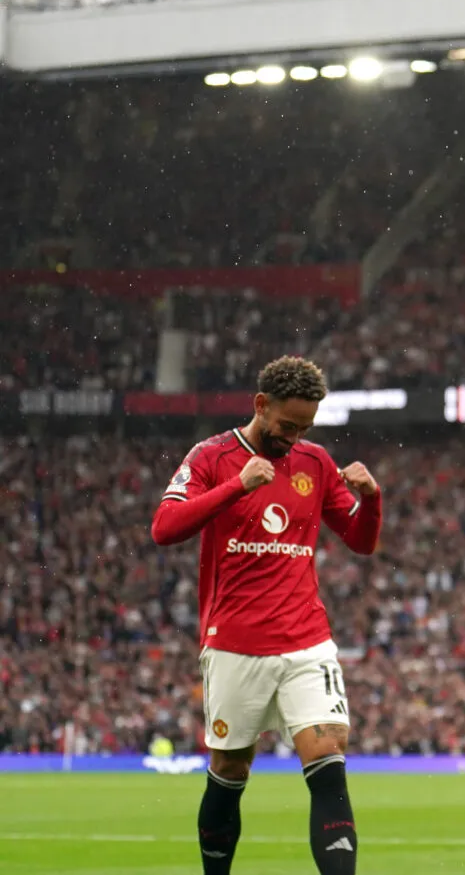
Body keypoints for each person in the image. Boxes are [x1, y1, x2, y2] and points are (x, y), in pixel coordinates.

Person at [150, 356, 383, 875]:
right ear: (260, 405)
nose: (294, 437)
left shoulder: (315, 462)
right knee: (230, 769)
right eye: (287, 425)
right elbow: (164, 527)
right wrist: (237, 485)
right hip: (235, 642)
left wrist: (371, 499)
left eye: (305, 427)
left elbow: (361, 540)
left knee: (329, 760)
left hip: (307, 641)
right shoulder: (212, 456)